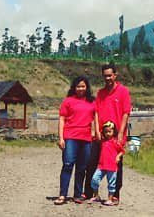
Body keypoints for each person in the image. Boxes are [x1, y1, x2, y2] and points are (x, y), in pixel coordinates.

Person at [83, 62, 132, 205]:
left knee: (116, 165)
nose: (107, 78)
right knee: (92, 162)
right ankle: (90, 192)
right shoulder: (100, 93)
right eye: (105, 76)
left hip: (116, 135)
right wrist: (96, 130)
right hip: (101, 136)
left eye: (110, 75)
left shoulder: (123, 91)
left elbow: (125, 113)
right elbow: (96, 112)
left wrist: (121, 133)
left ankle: (115, 195)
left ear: (115, 75)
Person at [55, 75, 95, 205]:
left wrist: (95, 133)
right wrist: (61, 138)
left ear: (87, 87)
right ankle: (62, 195)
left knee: (82, 168)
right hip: (71, 137)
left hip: (86, 138)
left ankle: (78, 194)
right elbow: (62, 119)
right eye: (78, 86)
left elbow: (96, 119)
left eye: (83, 86)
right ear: (74, 87)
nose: (81, 89)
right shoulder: (68, 101)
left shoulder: (92, 101)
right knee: (68, 164)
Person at [89, 120, 123, 206]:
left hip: (111, 166)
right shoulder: (102, 141)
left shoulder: (115, 142)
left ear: (113, 132)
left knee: (111, 183)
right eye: (106, 132)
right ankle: (96, 195)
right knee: (94, 179)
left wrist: (118, 156)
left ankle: (110, 198)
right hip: (101, 165)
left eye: (109, 131)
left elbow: (122, 150)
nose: (108, 133)